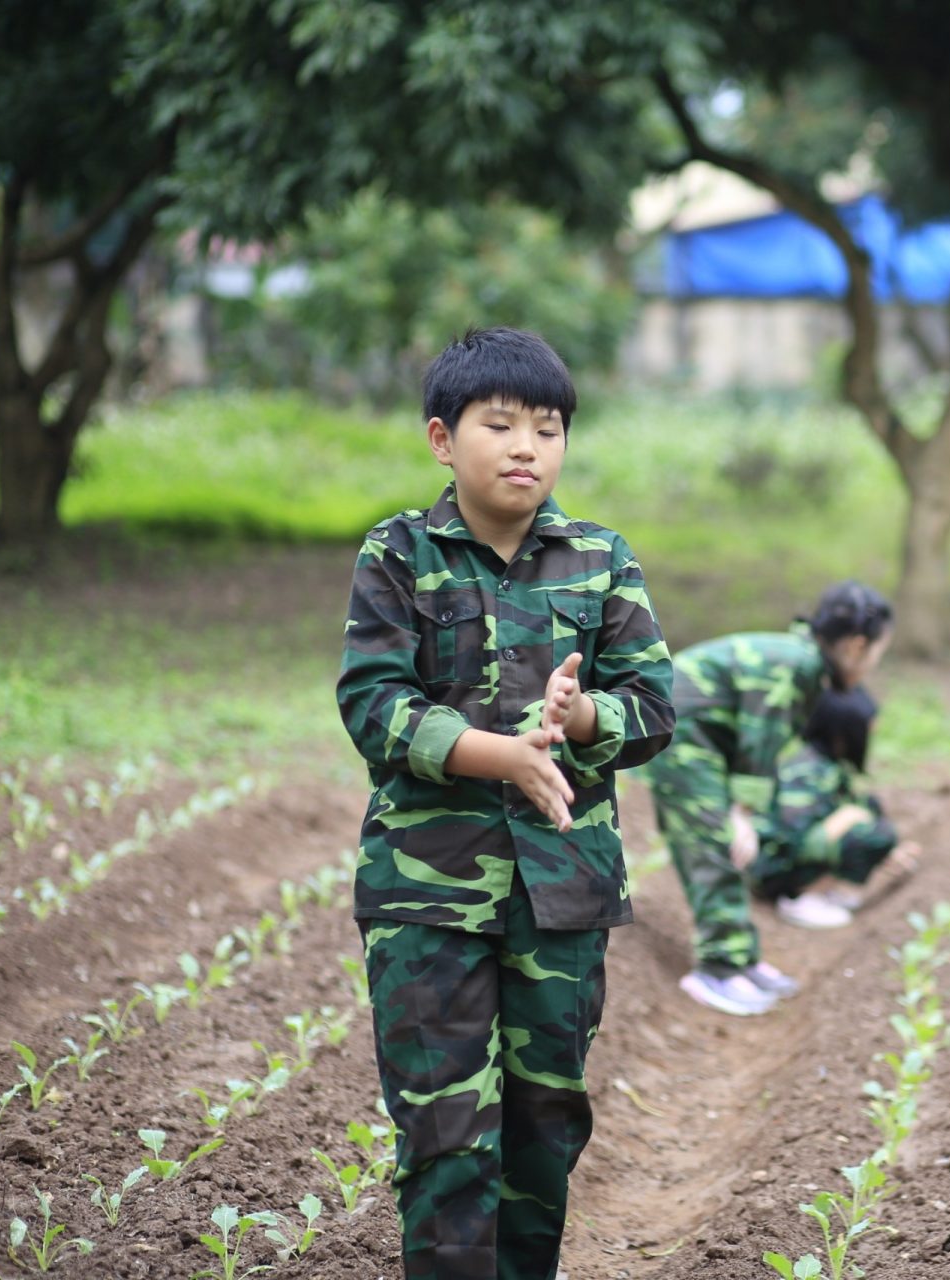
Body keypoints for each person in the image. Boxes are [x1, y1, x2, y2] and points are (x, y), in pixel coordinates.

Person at [335, 327, 675, 1280]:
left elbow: (653, 712)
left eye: (549, 428)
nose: (528, 447)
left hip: (563, 891)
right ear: (444, 438)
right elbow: (374, 704)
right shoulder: (398, 553)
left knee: (544, 1123)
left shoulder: (601, 559)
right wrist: (502, 757)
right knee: (445, 1129)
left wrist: (579, 721)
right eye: (502, 425)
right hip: (425, 892)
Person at [642, 581, 894, 1016]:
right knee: (713, 843)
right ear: (856, 646)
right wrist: (740, 813)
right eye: (877, 654)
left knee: (726, 845)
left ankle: (743, 958)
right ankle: (717, 970)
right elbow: (762, 737)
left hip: (703, 738)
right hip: (679, 733)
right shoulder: (796, 665)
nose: (872, 665)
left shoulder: (803, 662)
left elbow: (765, 743)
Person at [748, 685, 920, 926]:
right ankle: (802, 898)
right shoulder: (807, 771)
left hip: (783, 858)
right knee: (872, 829)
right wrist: (848, 821)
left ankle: (823, 888)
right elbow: (786, 837)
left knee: (868, 811)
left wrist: (885, 854)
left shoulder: (828, 765)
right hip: (772, 869)